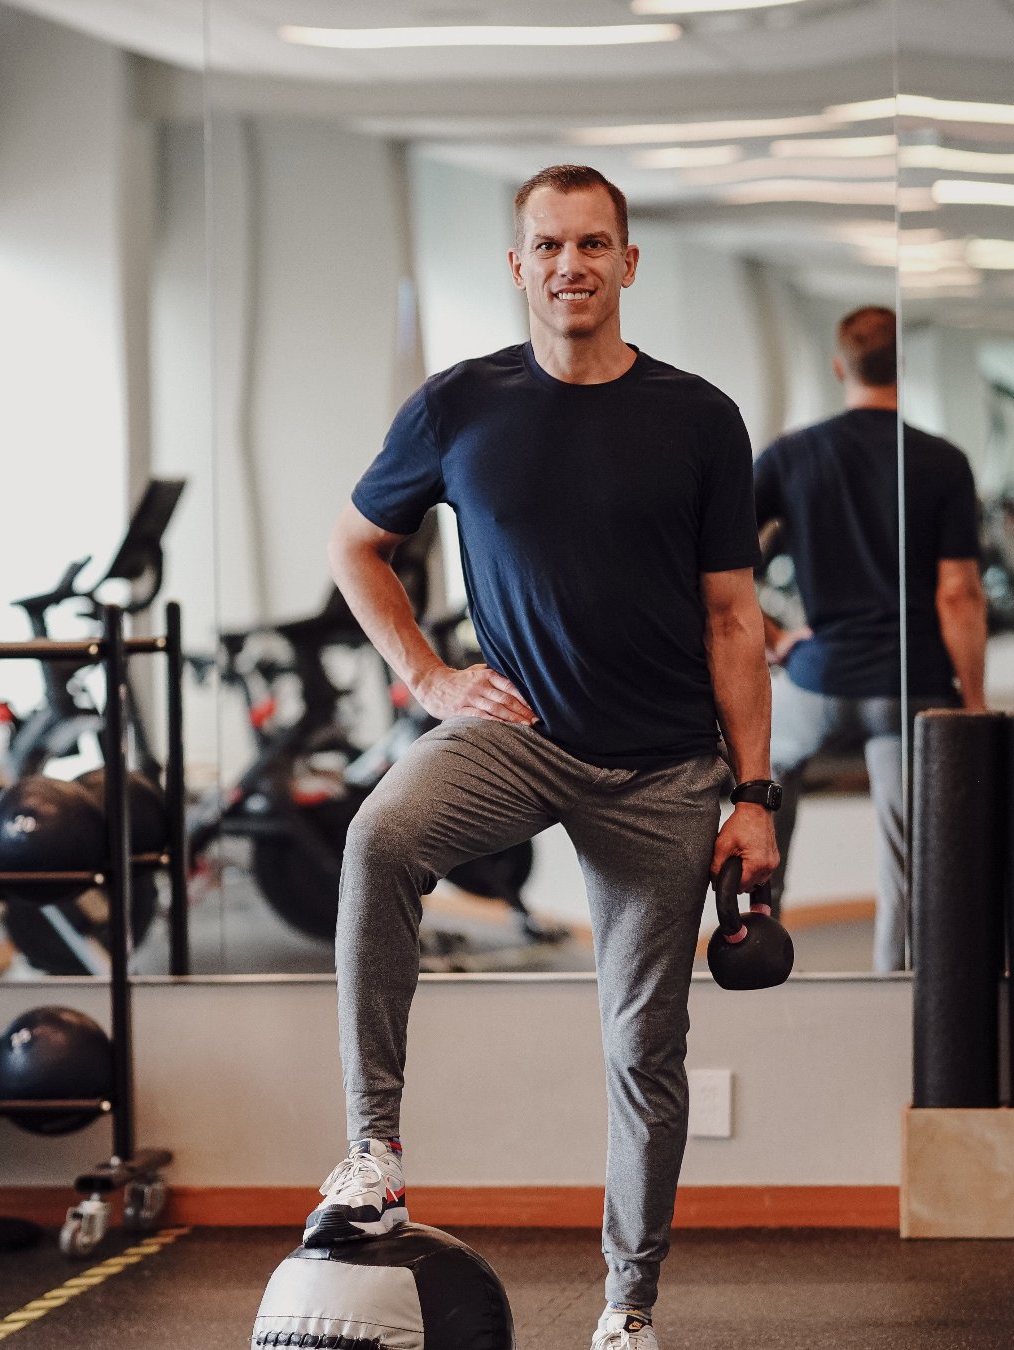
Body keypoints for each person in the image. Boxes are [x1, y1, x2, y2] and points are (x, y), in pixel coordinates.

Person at [308, 163, 779, 1350]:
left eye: (593, 244)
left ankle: (628, 1308)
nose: (570, 264)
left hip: (667, 769)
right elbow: (359, 545)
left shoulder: (701, 418)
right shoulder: (458, 407)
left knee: (643, 1047)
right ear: (517, 266)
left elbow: (734, 620)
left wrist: (755, 796)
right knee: (380, 835)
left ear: (628, 264)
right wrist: (426, 676)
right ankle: (373, 1152)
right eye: (547, 244)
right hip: (518, 737)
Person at [754, 305, 987, 972]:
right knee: (906, 860)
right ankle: (896, 984)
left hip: (817, 676)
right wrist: (969, 703)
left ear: (838, 368)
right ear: (901, 368)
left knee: (764, 784)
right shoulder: (943, 461)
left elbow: (713, 566)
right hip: (904, 684)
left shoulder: (793, 454)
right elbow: (958, 595)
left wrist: (776, 640)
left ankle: (763, 932)